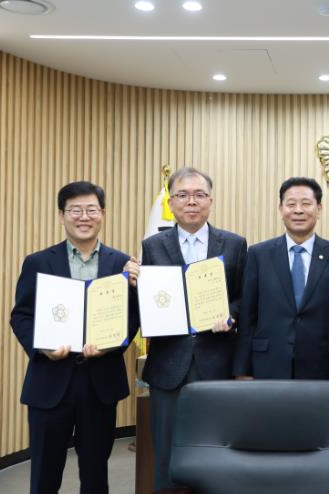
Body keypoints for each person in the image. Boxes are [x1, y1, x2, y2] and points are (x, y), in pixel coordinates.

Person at [10, 181, 139, 494]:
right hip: (50, 382)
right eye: (75, 210)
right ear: (62, 215)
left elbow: (132, 317)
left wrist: (111, 345)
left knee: (95, 475)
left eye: (91, 210)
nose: (84, 217)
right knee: (44, 475)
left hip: (100, 384)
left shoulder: (122, 264)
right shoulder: (38, 262)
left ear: (102, 213)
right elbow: (21, 316)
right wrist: (43, 348)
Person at [124, 167, 247, 492]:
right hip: (168, 365)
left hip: (217, 363)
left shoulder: (234, 244)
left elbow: (243, 298)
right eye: (182, 195)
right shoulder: (152, 246)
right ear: (171, 203)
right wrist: (133, 285)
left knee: (218, 452)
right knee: (167, 456)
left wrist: (230, 316)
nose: (191, 201)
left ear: (211, 200)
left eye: (199, 195)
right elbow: (147, 305)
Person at [233, 176, 329, 380]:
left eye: (306, 203)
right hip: (267, 367)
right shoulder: (258, 255)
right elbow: (247, 318)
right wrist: (241, 370)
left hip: (321, 369)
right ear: (281, 209)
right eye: (291, 204)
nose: (298, 210)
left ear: (319, 209)